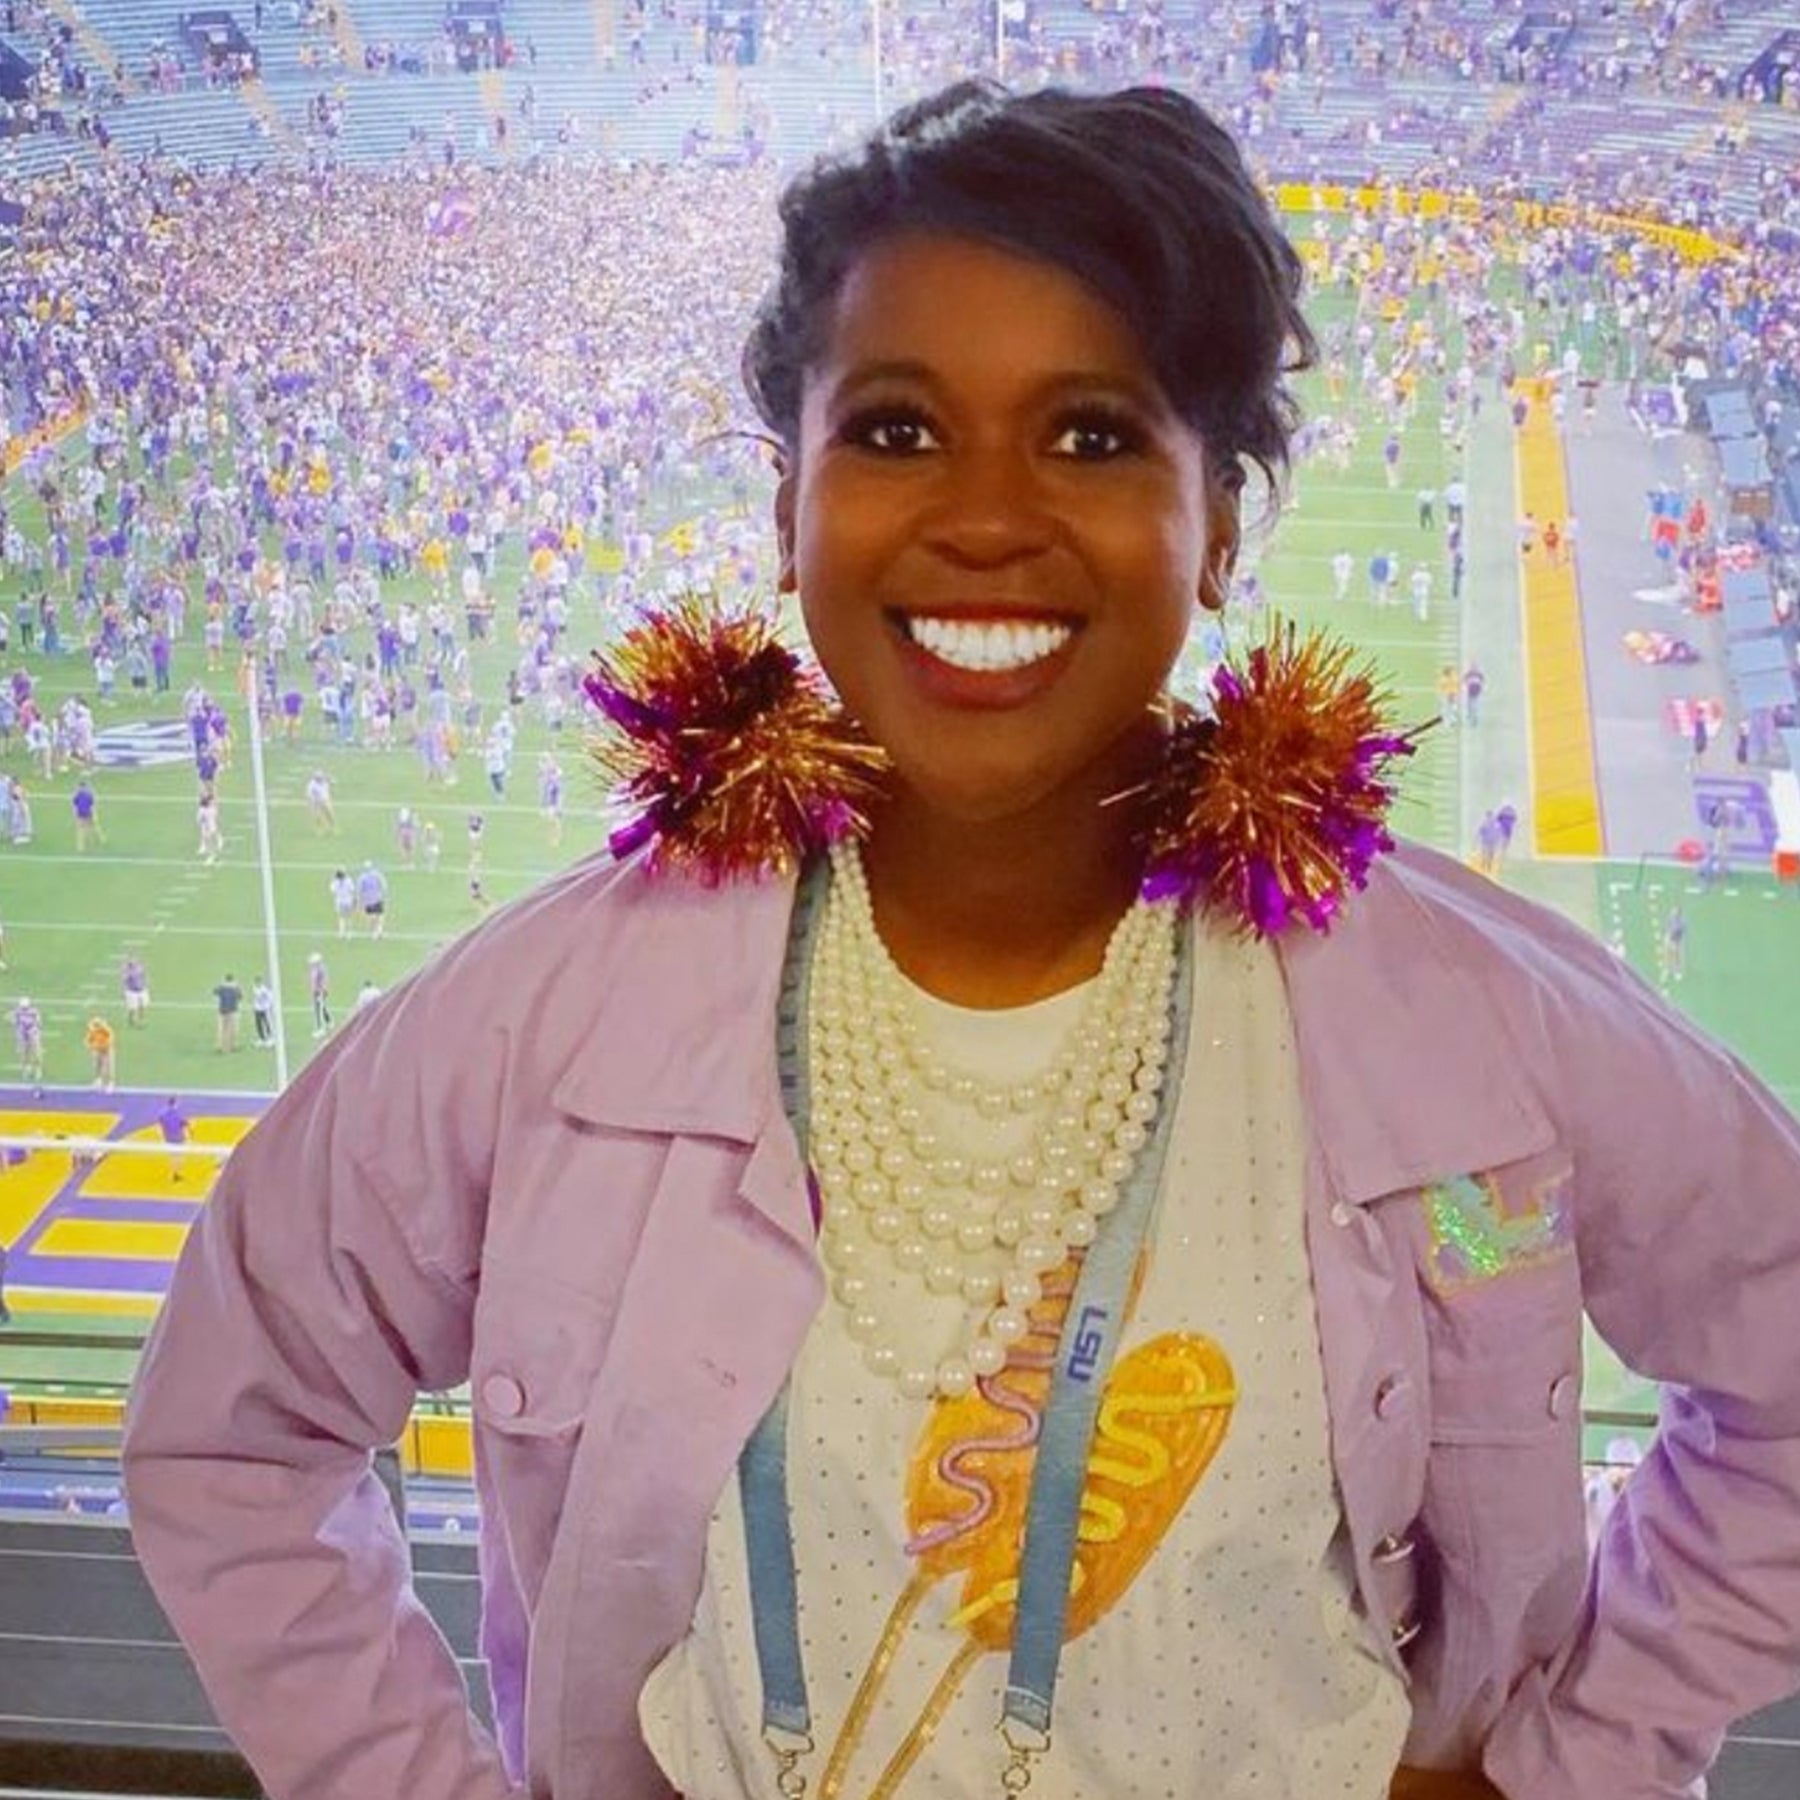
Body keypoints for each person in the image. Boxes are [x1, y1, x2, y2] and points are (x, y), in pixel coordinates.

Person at [122, 82, 1800, 1800]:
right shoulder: (539, 1025)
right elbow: (231, 1440)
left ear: (1221, 518)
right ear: (786, 507)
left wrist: (1559, 1768)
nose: (985, 515)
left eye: (1090, 434)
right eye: (899, 430)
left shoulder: (1463, 1016)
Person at [212, 972, 242, 1054]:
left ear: (225, 979)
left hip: (222, 1011)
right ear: (232, 979)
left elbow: (214, 992)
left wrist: (220, 984)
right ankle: (233, 1046)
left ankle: (220, 1047)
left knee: (221, 1030)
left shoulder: (221, 987)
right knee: (233, 1029)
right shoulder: (236, 987)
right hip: (233, 1011)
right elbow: (240, 997)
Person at [85, 1014, 115, 1090]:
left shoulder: (105, 1030)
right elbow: (87, 1041)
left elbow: (110, 1039)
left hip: (106, 1051)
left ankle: (110, 1083)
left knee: (107, 1067)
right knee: (97, 1066)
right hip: (98, 1050)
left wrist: (103, 1046)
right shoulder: (93, 1031)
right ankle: (98, 1081)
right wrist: (92, 1046)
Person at [307, 951, 332, 1039]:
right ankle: (329, 1022)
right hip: (319, 991)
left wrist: (319, 992)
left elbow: (321, 982)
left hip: (319, 992)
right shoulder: (319, 969)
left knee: (318, 1011)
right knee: (323, 1007)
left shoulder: (319, 970)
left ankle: (320, 1029)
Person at [250, 977, 275, 1048]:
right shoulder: (254, 988)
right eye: (256, 982)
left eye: (258, 982)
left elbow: (271, 998)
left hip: (265, 1009)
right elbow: (255, 998)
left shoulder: (265, 990)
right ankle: (261, 1039)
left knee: (267, 1024)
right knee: (258, 1024)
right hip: (257, 1009)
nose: (257, 984)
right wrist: (254, 1006)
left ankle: (271, 1039)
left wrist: (268, 1006)